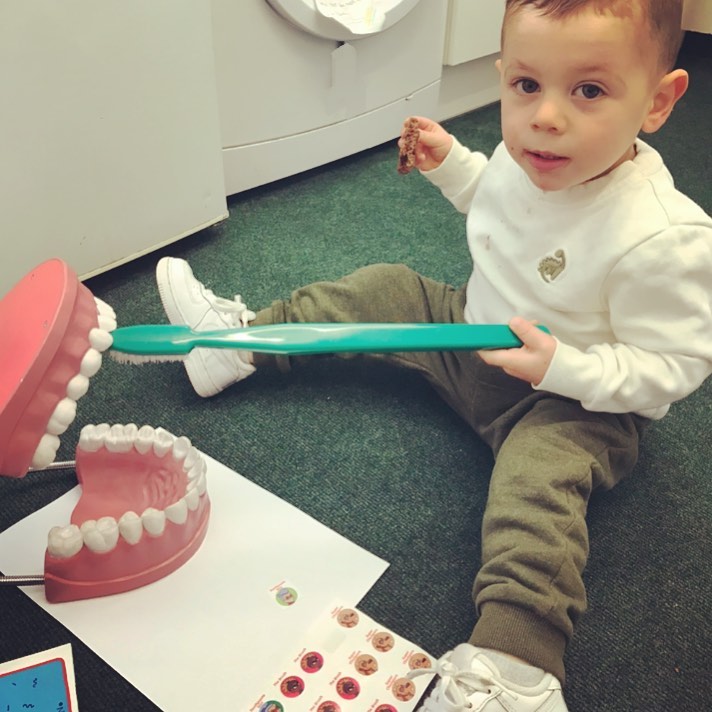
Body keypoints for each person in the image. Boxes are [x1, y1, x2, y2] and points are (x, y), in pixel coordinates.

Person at [154, 1, 712, 709]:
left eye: (590, 90)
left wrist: (564, 369)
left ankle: (518, 667)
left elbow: (674, 366)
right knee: (384, 287)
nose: (545, 117)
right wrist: (454, 166)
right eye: (527, 85)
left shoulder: (664, 237)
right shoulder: (530, 152)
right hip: (468, 333)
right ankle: (238, 347)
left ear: (657, 102)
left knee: (537, 488)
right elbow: (495, 201)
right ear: (505, 75)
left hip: (572, 402)